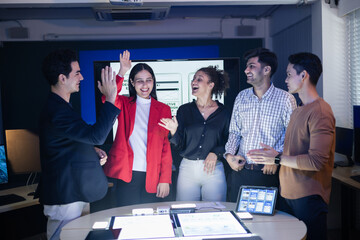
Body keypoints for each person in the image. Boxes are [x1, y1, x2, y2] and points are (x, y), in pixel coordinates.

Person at [248, 52, 335, 240]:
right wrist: (275, 153)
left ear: (303, 76)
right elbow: (294, 151)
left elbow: (316, 161)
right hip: (288, 193)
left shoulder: (320, 111)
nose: (285, 79)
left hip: (308, 197)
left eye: (289, 74)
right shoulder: (299, 109)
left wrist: (277, 158)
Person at [39, 49, 120, 240]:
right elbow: (97, 135)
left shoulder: (61, 107)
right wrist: (110, 98)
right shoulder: (58, 111)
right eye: (77, 73)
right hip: (65, 197)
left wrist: (90, 150)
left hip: (73, 193)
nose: (82, 77)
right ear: (62, 78)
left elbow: (67, 142)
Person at [224, 48, 297, 204]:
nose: (246, 70)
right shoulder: (241, 96)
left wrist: (276, 159)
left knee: (270, 224)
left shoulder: (285, 99)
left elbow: (292, 137)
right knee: (241, 222)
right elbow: (234, 132)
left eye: (251, 66)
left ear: (266, 69)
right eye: (247, 66)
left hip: (269, 173)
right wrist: (229, 156)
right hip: (241, 172)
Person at [102, 50, 172, 207]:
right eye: (139, 81)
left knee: (151, 223)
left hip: (153, 175)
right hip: (128, 173)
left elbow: (165, 147)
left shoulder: (163, 109)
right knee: (126, 220)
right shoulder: (125, 103)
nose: (145, 85)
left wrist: (165, 179)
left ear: (153, 82)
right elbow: (108, 97)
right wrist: (122, 72)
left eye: (148, 80)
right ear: (132, 83)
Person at [159, 66, 230, 201]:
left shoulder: (224, 113)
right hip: (188, 170)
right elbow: (179, 145)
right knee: (185, 212)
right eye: (193, 79)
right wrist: (173, 130)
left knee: (215, 213)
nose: (193, 82)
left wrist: (216, 152)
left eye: (199, 79)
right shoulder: (184, 110)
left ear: (211, 85)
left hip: (214, 170)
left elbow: (229, 140)